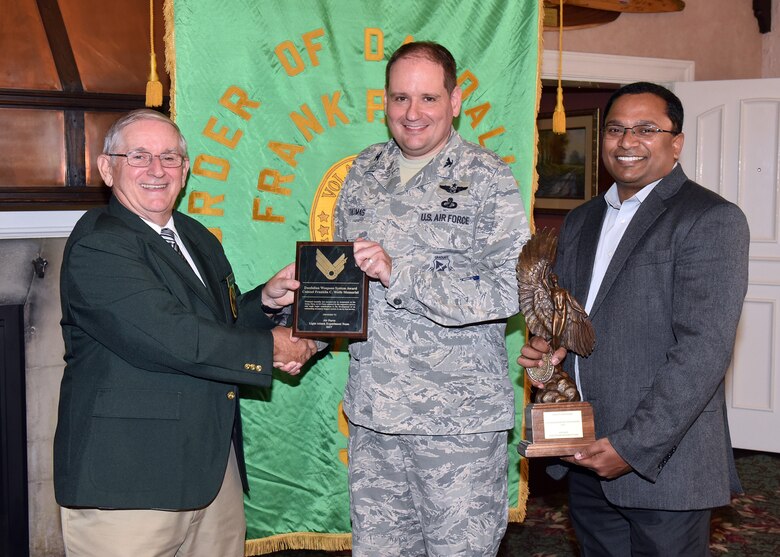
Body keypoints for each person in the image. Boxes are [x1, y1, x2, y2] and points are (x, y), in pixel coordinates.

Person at [54, 109, 317, 557]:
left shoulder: (194, 235)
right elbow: (168, 335)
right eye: (139, 156)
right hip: (131, 481)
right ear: (107, 169)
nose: (157, 170)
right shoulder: (99, 242)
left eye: (170, 157)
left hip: (210, 469)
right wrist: (270, 347)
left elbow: (215, 326)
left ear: (186, 169)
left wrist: (265, 303)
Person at [518, 82, 749, 556]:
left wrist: (632, 447)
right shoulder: (582, 219)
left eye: (646, 129)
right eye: (615, 129)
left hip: (662, 461)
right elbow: (574, 317)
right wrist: (548, 348)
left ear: (676, 142)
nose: (627, 141)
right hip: (585, 451)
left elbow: (702, 351)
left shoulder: (710, 218)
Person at [333, 42, 530, 556]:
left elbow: (508, 290)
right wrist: (301, 317)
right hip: (375, 414)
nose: (412, 113)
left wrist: (399, 274)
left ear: (455, 101)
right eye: (400, 98)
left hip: (457, 423)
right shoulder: (365, 169)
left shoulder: (487, 177)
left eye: (428, 98)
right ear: (385, 101)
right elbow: (343, 280)